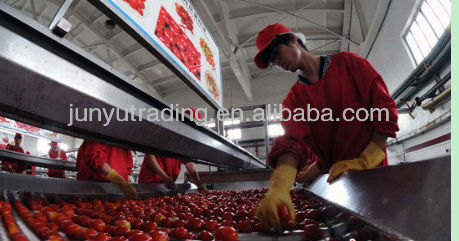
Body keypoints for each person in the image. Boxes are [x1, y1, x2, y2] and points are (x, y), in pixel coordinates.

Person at [253, 24, 399, 230]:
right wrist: (279, 186)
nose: (277, 62)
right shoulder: (294, 101)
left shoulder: (350, 65)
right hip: (337, 186)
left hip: (374, 178)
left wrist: (366, 160)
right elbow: (292, 143)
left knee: (381, 230)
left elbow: (384, 110)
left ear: (293, 40)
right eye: (272, 61)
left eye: (275, 53)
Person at [138, 154, 208, 192]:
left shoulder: (182, 143)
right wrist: (165, 177)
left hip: (167, 185)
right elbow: (150, 156)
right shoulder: (159, 135)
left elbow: (189, 163)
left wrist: (199, 184)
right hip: (150, 182)